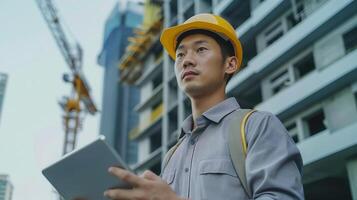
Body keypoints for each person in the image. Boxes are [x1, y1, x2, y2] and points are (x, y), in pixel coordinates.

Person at [104, 13, 304, 200]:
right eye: (180, 55)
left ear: (230, 64)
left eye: (201, 50)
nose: (186, 61)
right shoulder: (172, 156)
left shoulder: (257, 126)